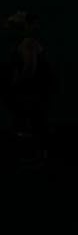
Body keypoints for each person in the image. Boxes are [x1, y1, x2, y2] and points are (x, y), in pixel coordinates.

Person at [3, 12, 55, 148]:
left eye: (12, 27)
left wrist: (15, 85)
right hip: (32, 92)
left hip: (31, 92)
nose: (8, 31)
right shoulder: (25, 44)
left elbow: (29, 69)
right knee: (32, 123)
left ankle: (34, 154)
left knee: (31, 124)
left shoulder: (28, 43)